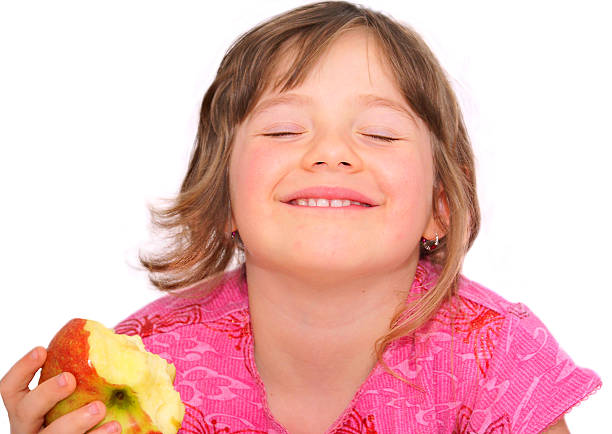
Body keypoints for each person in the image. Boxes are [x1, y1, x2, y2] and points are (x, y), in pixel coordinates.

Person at [0, 2, 601, 433]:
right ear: (225, 200)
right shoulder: (148, 361)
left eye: (379, 133)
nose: (330, 152)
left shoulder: (497, 356)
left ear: (439, 207)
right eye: (285, 130)